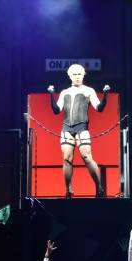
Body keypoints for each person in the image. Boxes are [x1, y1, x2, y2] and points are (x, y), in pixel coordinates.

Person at [47, 64, 110, 198]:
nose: (77, 77)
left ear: (83, 75)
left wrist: (105, 95)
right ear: (70, 76)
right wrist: (51, 95)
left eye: (79, 74)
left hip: (82, 128)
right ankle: (68, 190)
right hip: (66, 128)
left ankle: (99, 188)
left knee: (87, 157)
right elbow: (56, 110)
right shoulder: (64, 92)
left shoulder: (89, 90)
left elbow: (99, 108)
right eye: (74, 74)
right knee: (67, 159)